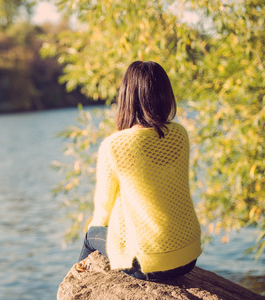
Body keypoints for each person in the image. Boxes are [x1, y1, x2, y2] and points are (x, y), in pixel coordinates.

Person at [78, 61, 201, 281]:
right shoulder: (179, 134)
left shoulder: (115, 145)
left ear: (127, 97)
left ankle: (79, 281)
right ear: (165, 95)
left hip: (149, 265)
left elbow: (102, 214)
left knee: (90, 235)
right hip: (188, 256)